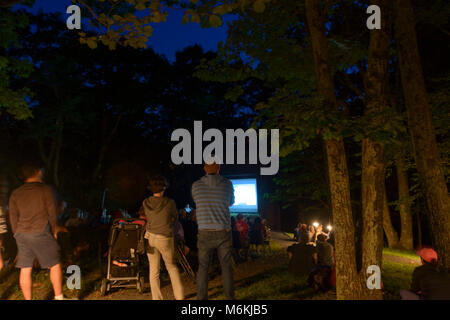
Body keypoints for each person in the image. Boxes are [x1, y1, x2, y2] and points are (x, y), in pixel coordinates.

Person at [8, 162, 66, 300]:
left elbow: (13, 216)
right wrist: (54, 230)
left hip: (21, 234)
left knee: (25, 268)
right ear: (38, 171)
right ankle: (59, 297)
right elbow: (52, 212)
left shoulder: (16, 193)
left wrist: (17, 234)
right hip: (40, 231)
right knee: (55, 264)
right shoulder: (45, 189)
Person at [191, 159, 235, 300]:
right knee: (226, 267)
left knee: (203, 267)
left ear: (204, 168)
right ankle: (230, 299)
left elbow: (197, 202)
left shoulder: (196, 186)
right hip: (223, 231)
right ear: (219, 167)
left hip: (204, 231)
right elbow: (231, 202)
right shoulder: (227, 184)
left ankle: (201, 299)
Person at [142, 175, 184, 300]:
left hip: (150, 237)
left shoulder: (145, 202)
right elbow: (175, 218)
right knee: (171, 267)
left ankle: (157, 298)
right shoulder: (170, 202)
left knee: (154, 270)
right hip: (164, 237)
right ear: (164, 188)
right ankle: (179, 297)